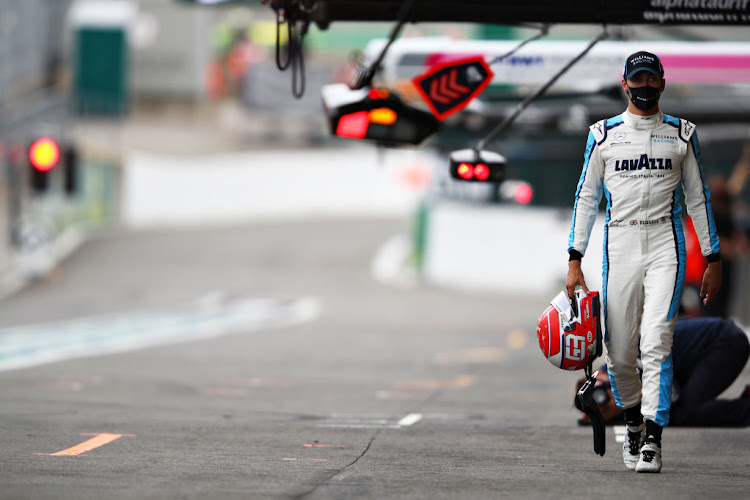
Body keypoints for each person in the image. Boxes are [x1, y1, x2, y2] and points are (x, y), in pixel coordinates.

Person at [566, 51, 722, 473]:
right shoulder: (602, 135)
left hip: (665, 245)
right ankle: (633, 421)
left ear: (663, 83)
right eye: (638, 79)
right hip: (619, 243)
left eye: (652, 79)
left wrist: (713, 256)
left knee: (656, 341)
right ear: (625, 82)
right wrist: (574, 259)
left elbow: (698, 197)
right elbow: (585, 197)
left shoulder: (682, 134)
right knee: (618, 354)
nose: (645, 87)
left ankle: (652, 437)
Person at [575, 317, 750, 427]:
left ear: (600, 375)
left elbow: (670, 397)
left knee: (685, 414)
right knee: (679, 415)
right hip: (702, 356)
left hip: (723, 341)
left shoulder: (627, 360)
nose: (612, 405)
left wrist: (632, 402)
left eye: (607, 395)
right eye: (606, 412)